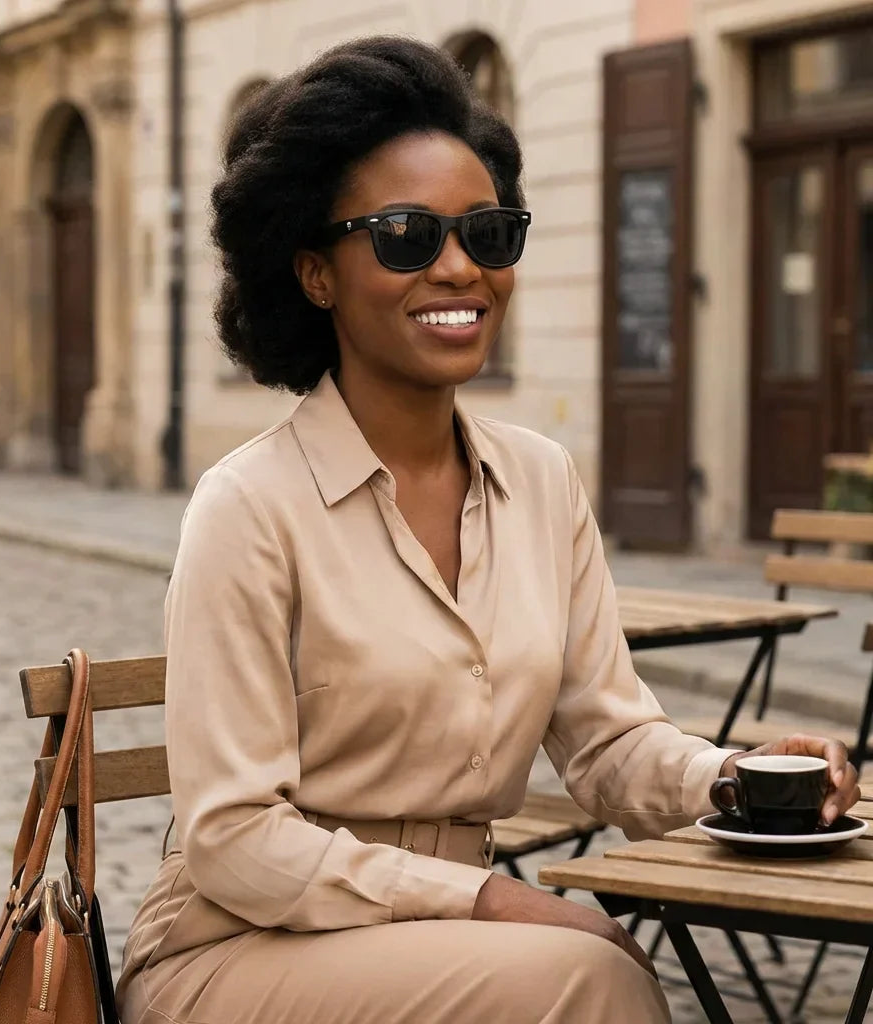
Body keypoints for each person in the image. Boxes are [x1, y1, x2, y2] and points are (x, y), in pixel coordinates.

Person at [116, 35, 860, 1024]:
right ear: (315, 273)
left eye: (488, 233)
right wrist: (496, 896)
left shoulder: (542, 481)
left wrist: (735, 778)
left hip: (450, 940)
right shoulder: (247, 506)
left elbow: (606, 742)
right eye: (405, 236)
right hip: (241, 947)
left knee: (590, 973)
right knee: (587, 979)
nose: (460, 267)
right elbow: (236, 839)